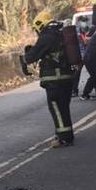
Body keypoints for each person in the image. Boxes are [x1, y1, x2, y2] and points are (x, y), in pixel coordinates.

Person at [23, 10, 76, 147]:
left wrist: (28, 53)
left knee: (57, 109)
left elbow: (31, 57)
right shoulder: (61, 33)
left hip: (54, 80)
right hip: (67, 77)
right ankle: (65, 135)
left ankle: (64, 138)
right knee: (64, 108)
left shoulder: (46, 36)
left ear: (40, 25)